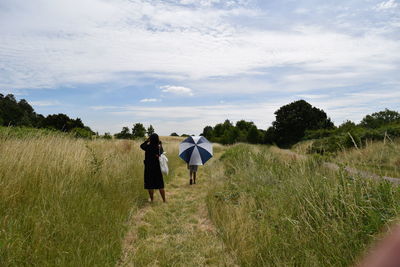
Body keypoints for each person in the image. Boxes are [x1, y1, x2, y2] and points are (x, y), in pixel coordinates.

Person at [140, 133, 166, 202]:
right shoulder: (159, 147)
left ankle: (152, 199)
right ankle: (164, 200)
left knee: (150, 185)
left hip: (148, 168)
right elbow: (162, 153)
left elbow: (141, 146)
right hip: (157, 168)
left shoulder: (148, 147)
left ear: (150, 139)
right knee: (160, 184)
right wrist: (160, 143)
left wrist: (147, 141)